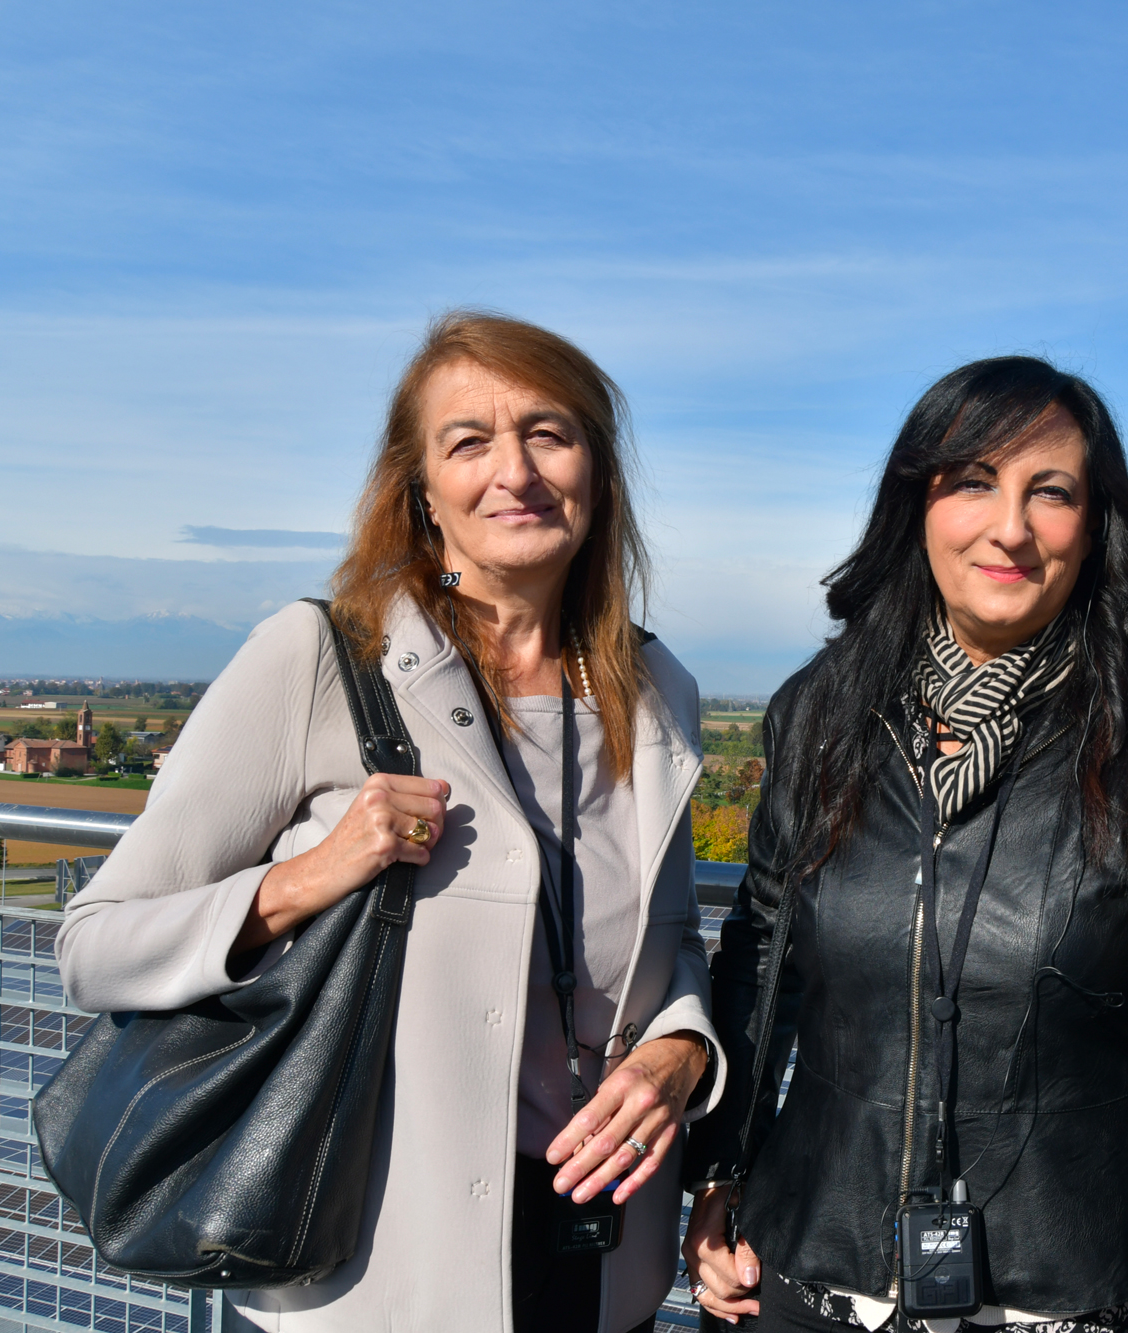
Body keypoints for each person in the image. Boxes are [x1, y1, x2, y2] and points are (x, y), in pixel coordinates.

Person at [56, 312, 726, 1333]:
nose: (516, 472)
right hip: (379, 1276)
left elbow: (668, 946)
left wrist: (682, 1051)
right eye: (469, 441)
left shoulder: (654, 687)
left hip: (602, 1266)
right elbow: (94, 945)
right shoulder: (322, 659)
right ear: (421, 489)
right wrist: (309, 875)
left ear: (596, 468)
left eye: (549, 433)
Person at [680, 357, 1128, 1333]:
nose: (1010, 527)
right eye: (974, 481)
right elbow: (762, 955)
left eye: (1051, 492)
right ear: (917, 506)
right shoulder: (822, 714)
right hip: (811, 1270)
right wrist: (719, 1171)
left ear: (1096, 525)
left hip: (1069, 1289)